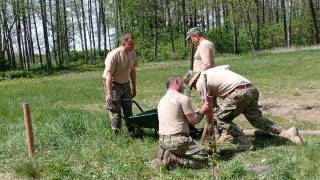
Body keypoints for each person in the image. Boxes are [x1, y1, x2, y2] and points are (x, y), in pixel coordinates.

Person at [183, 68, 303, 151]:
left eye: (192, 86)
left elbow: (207, 105)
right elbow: (214, 103)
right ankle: (287, 133)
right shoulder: (209, 73)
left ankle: (244, 142)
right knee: (256, 120)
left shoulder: (200, 83)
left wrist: (203, 115)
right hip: (251, 89)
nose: (194, 88)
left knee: (221, 118)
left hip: (239, 92)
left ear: (192, 82)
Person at [151, 76, 210, 168]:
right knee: (204, 159)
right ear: (177, 83)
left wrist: (199, 109)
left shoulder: (162, 100)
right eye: (182, 84)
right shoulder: (182, 98)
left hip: (162, 141)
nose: (184, 88)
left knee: (181, 150)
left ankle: (162, 158)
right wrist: (203, 110)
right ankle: (173, 159)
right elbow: (193, 120)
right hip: (178, 141)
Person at [102, 33, 137, 135]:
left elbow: (132, 71)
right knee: (115, 111)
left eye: (133, 44)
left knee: (128, 109)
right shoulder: (114, 55)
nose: (132, 46)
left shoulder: (132, 54)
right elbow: (108, 75)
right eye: (130, 44)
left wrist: (134, 87)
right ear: (123, 43)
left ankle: (132, 132)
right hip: (113, 83)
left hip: (125, 83)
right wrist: (109, 93)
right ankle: (117, 135)